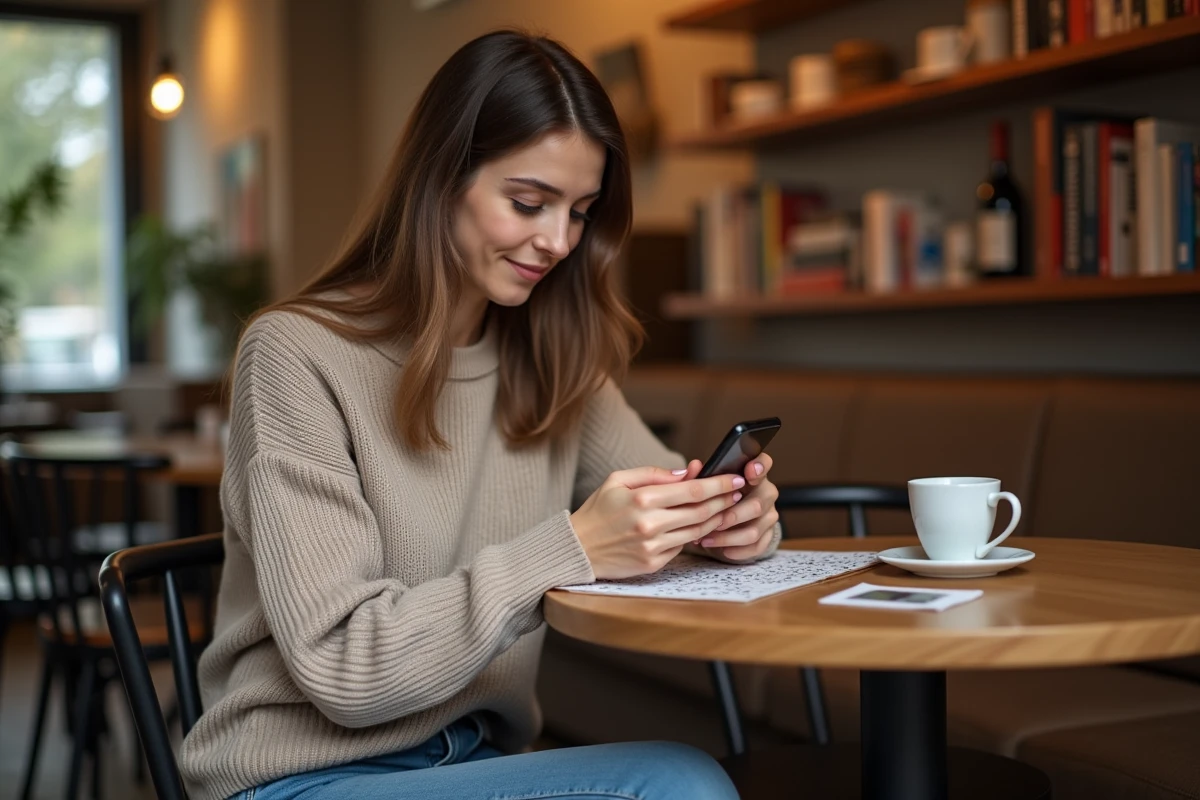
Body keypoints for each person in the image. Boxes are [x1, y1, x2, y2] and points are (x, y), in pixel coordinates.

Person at [179, 29, 781, 800]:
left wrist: (734, 524)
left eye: (581, 212)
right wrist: (570, 549)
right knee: (676, 783)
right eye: (528, 203)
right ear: (442, 178)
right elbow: (343, 666)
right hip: (299, 775)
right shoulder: (296, 354)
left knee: (681, 775)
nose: (558, 241)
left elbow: (664, 502)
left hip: (473, 762)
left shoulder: (555, 360)